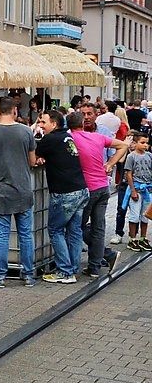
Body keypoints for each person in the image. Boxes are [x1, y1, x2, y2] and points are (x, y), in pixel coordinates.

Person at [0, 97, 37, 288]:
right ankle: (28, 275)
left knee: (2, 235)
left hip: (2, 190)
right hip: (24, 189)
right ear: (14, 110)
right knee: (26, 235)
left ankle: (0, 276)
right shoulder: (26, 131)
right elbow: (32, 161)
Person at [68, 112, 127, 277]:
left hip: (88, 189)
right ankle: (95, 267)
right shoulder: (98, 137)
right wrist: (109, 164)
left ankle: (107, 254)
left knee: (78, 226)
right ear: (82, 123)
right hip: (103, 187)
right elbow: (123, 145)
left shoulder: (70, 138)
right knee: (98, 228)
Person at [35, 110, 89, 284]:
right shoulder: (66, 137)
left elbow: (32, 155)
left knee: (56, 230)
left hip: (65, 193)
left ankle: (64, 272)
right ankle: (72, 269)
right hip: (81, 189)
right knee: (74, 231)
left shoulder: (50, 139)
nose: (41, 125)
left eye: (43, 122)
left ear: (54, 124)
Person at [123, 133, 152, 252]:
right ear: (135, 143)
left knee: (145, 215)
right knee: (134, 215)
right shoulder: (131, 157)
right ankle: (132, 239)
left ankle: (143, 238)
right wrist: (133, 190)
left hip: (148, 189)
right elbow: (128, 173)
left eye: (147, 143)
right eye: (142, 142)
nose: (145, 145)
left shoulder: (150, 155)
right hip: (137, 189)